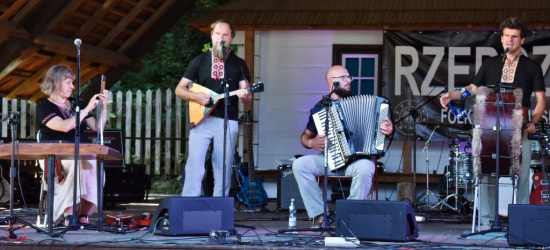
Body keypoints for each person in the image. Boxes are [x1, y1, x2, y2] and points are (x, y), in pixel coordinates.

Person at [440, 17, 546, 230]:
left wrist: (534, 121)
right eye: (507, 35)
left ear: (522, 39)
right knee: (486, 171)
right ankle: (487, 221)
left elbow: (541, 100)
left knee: (522, 175)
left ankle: (521, 224)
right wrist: (452, 94)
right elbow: (472, 88)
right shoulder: (491, 64)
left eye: (514, 36)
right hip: (490, 127)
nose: (510, 40)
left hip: (519, 127)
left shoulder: (531, 66)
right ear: (502, 38)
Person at [293, 65, 394, 227]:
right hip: (328, 160)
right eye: (344, 77)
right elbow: (305, 137)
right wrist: (311, 142)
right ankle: (321, 215)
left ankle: (349, 215)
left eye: (349, 78)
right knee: (299, 165)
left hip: (355, 162)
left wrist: (387, 131)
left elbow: (380, 133)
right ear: (331, 82)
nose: (348, 81)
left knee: (367, 167)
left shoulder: (362, 104)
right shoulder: (320, 109)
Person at [175, 19, 252, 197]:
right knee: (194, 163)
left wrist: (245, 94)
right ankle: (189, 205)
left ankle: (220, 207)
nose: (220, 38)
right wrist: (196, 96)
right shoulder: (199, 61)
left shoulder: (239, 63)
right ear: (211, 36)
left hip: (227, 119)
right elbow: (180, 89)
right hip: (201, 119)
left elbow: (246, 96)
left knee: (223, 166)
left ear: (232, 38)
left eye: (225, 34)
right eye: (217, 34)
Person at [36, 64, 109, 225]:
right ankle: (68, 215)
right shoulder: (44, 107)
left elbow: (97, 128)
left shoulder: (77, 103)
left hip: (80, 153)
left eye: (72, 82)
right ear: (56, 82)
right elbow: (64, 126)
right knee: (78, 164)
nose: (72, 86)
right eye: (68, 82)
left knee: (96, 166)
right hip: (55, 156)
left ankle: (83, 214)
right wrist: (87, 108)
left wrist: (103, 108)